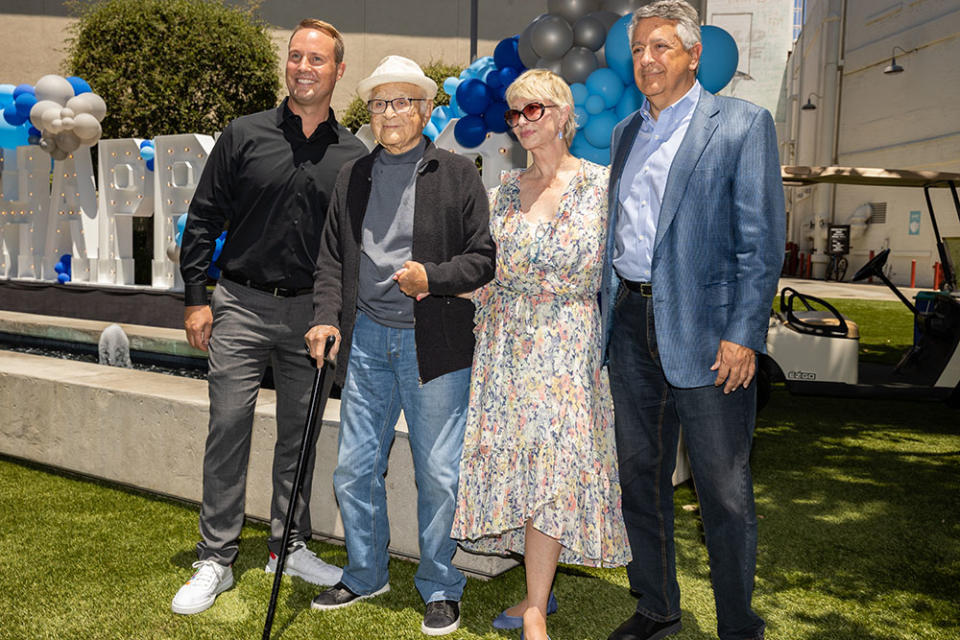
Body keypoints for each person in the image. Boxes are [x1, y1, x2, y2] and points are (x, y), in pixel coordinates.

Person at [602, 2, 785, 639]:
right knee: (639, 477)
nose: (647, 60)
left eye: (661, 47)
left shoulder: (742, 124)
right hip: (629, 324)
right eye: (639, 50)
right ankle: (656, 607)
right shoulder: (626, 132)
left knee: (724, 491)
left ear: (693, 53)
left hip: (710, 335)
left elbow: (759, 245)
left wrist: (744, 334)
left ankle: (739, 625)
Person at [171, 19, 367, 615]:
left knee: (298, 439)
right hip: (238, 304)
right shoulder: (244, 134)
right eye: (295, 56)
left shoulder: (354, 155)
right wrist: (196, 296)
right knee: (228, 428)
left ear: (337, 70)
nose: (303, 68)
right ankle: (216, 557)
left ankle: (289, 545)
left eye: (317, 60)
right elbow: (203, 217)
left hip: (312, 315)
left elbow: (355, 249)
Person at [304, 55, 495, 636]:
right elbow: (334, 258)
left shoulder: (458, 174)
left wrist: (430, 279)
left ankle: (440, 584)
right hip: (365, 343)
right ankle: (365, 573)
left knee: (438, 472)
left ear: (425, 110)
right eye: (380, 103)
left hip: (432, 345)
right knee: (353, 470)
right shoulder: (353, 176)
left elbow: (484, 259)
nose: (390, 114)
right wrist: (324, 318)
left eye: (403, 102)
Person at [450, 69, 631, 640]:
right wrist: (431, 282)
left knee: (555, 469)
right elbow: (484, 273)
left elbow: (627, 269)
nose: (522, 122)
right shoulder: (501, 190)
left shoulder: (603, 186)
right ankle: (537, 597)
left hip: (568, 345)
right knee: (524, 470)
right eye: (513, 113)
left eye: (534, 110)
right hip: (506, 347)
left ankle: (533, 608)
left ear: (562, 114)